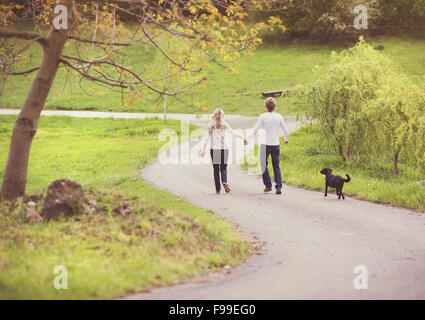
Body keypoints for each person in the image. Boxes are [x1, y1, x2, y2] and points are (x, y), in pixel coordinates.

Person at [245, 97, 289, 194]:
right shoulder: (278, 117)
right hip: (275, 144)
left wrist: (248, 139)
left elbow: (255, 129)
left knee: (263, 165)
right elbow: (285, 129)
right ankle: (278, 187)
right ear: (274, 107)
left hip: (265, 145)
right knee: (276, 166)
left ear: (266, 106)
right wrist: (286, 139)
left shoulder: (263, 117)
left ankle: (268, 186)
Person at [201, 108, 247, 194]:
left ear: (214, 116)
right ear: (223, 116)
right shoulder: (225, 125)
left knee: (216, 169)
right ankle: (224, 181)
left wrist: (203, 150)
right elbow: (233, 133)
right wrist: (243, 138)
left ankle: (218, 188)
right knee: (223, 168)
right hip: (224, 150)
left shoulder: (210, 125)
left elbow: (206, 139)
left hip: (214, 150)